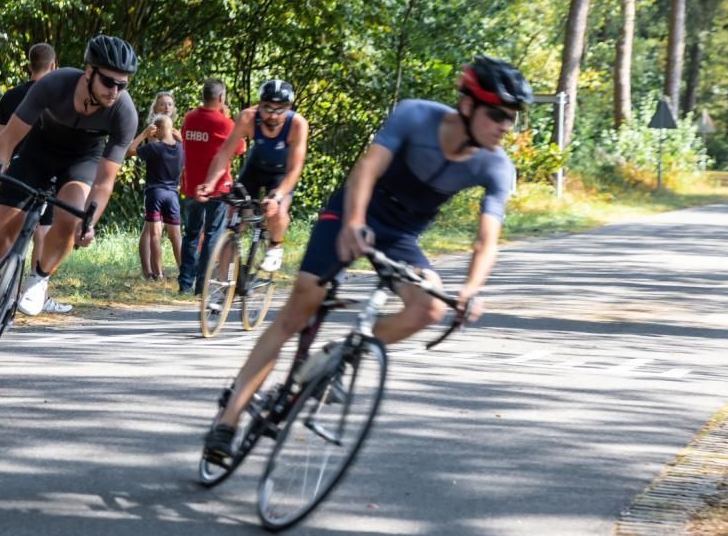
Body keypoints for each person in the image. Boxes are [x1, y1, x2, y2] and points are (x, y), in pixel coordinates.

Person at [203, 55, 532, 464]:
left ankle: (337, 357)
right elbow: (367, 168)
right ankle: (228, 421)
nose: (505, 126)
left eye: (512, 118)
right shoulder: (417, 115)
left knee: (429, 307)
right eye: (497, 114)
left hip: (401, 234)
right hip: (352, 209)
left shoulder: (496, 164)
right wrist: (354, 222)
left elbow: (487, 238)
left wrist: (472, 288)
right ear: (468, 106)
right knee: (300, 306)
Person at [0, 35, 140, 362]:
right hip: (37, 152)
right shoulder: (54, 84)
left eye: (122, 85)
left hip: (81, 160)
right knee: (0, 238)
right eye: (108, 81)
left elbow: (104, 181)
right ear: (89, 71)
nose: (114, 91)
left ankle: (39, 278)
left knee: (71, 219)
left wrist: (91, 221)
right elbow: (8, 139)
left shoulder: (124, 113)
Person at [197, 79, 309, 274]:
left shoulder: (297, 124)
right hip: (255, 169)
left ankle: (275, 245)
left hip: (282, 174)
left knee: (278, 211)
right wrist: (210, 183)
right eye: (267, 108)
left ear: (288, 108)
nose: (273, 115)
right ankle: (223, 285)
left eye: (279, 109)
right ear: (260, 105)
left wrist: (276, 197)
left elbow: (294, 169)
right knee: (233, 220)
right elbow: (225, 153)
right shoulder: (248, 117)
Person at [0, 42, 71, 314]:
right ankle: (36, 293)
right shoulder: (57, 98)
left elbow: (0, 140)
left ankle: (3, 295)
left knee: (5, 236)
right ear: (53, 66)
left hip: (14, 172)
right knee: (43, 233)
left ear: (29, 66)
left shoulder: (10, 96)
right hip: (45, 171)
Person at [178, 78, 245, 295]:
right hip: (217, 188)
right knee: (212, 235)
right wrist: (226, 118)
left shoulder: (189, 118)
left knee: (191, 235)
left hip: (191, 185)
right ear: (221, 98)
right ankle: (202, 285)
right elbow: (241, 148)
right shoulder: (225, 123)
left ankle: (184, 284)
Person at [128, 114, 184, 280]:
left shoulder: (155, 148)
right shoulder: (181, 149)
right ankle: (184, 273)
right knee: (176, 236)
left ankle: (158, 274)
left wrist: (144, 135)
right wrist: (181, 140)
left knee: (155, 235)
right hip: (173, 195)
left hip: (155, 194)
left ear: (157, 130)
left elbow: (129, 151)